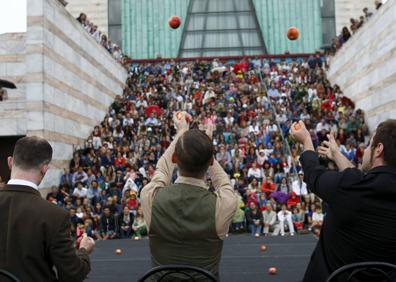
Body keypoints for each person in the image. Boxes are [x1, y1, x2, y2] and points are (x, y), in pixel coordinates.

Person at [290, 120, 396, 282]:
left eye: (369, 145)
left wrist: (306, 140)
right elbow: (361, 180)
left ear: (379, 150)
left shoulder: (351, 185)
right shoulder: (356, 184)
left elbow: (314, 174)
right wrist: (337, 155)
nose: (366, 149)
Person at [141, 111, 237, 280]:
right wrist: (206, 147)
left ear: (175, 159)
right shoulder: (222, 205)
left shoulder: (151, 197)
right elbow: (223, 184)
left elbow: (162, 169)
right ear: (209, 162)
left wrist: (181, 132)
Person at [0, 136, 94, 281]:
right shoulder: (55, 215)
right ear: (45, 168)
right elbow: (72, 274)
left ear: (10, 162)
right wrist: (83, 251)